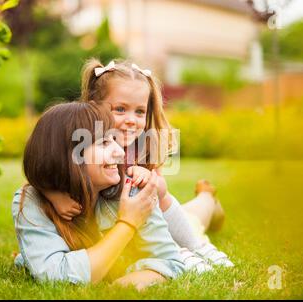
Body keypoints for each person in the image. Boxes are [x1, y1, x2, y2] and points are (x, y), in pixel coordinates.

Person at [46, 59, 234, 269]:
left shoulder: (142, 146)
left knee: (193, 220)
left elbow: (161, 194)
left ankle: (205, 208)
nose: (131, 120)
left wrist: (147, 178)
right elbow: (40, 175)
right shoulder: (80, 141)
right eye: (120, 109)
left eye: (139, 112)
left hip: (156, 219)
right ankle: (206, 197)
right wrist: (55, 196)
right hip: (129, 224)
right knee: (193, 215)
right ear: (93, 106)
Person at [12, 101, 185, 290]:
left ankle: (208, 199)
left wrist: (123, 285)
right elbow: (54, 276)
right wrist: (128, 223)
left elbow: (171, 262)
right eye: (104, 142)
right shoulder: (33, 200)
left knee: (194, 216)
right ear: (68, 155)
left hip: (171, 219)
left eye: (114, 140)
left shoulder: (133, 189)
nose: (120, 152)